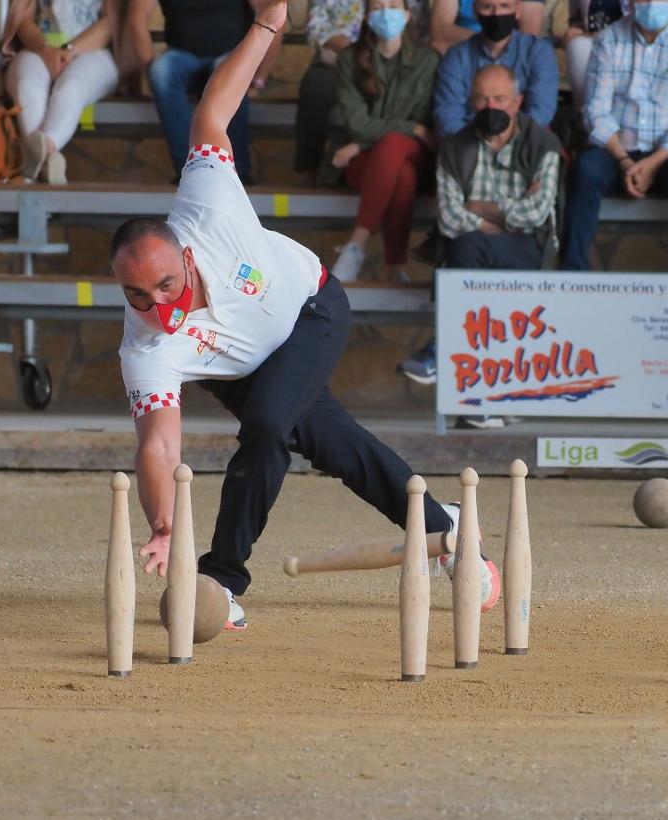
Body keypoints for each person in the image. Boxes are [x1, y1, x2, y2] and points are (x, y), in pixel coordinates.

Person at [112, 0, 500, 627]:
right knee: (338, 448)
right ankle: (446, 528)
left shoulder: (206, 203)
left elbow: (213, 109)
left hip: (311, 309)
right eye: (136, 296)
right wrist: (160, 523)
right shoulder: (144, 349)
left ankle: (221, 576)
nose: (155, 304)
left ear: (184, 255)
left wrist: (266, 26)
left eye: (164, 284)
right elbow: (158, 445)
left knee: (267, 426)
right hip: (247, 365)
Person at [398, 65, 562, 429]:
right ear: (471, 102)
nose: (491, 106)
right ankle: (481, 404)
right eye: (483, 99)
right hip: (477, 247)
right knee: (467, 246)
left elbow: (536, 215)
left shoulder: (543, 145)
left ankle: (444, 354)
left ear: (517, 102)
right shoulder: (455, 148)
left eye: (500, 99)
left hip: (527, 248)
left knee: (468, 250)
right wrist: (504, 217)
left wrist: (483, 211)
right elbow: (450, 218)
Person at [561, 0, 668, 273]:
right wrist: (624, 160)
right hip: (620, 150)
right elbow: (595, 111)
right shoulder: (608, 40)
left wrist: (654, 162)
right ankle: (570, 274)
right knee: (585, 169)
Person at [329, 0, 439, 283]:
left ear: (407, 14)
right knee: (401, 172)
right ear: (367, 16)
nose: (386, 13)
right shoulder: (349, 60)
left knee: (394, 145)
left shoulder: (428, 60)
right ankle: (396, 267)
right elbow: (358, 124)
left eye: (392, 5)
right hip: (368, 164)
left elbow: (427, 126)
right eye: (378, 7)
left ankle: (356, 244)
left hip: (417, 154)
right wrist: (410, 127)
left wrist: (360, 142)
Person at [125, 0, 283, 179]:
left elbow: (272, 12)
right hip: (181, 56)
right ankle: (190, 172)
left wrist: (259, 77)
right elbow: (136, 17)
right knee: (160, 72)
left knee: (234, 78)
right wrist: (151, 75)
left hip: (230, 56)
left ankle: (238, 175)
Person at [294, 0, 426, 185]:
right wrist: (354, 51)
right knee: (316, 86)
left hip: (396, 59)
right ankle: (309, 168)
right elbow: (316, 27)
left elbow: (421, 28)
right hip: (339, 61)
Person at [2, 0, 119, 184]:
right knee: (27, 86)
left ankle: (40, 158)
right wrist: (46, 50)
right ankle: (49, 162)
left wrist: (69, 51)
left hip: (93, 50)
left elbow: (113, 21)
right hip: (39, 47)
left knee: (72, 87)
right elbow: (22, 19)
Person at [433, 0, 559, 137]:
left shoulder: (538, 52)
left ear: (517, 10)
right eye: (487, 7)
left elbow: (541, 111)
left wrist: (509, 142)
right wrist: (476, 146)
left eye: (504, 6)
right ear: (475, 11)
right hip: (468, 145)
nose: (496, 13)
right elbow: (448, 117)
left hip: (523, 143)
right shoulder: (456, 57)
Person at [563, 0, 632, 111]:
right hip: (592, 44)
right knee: (577, 47)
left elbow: (636, 25)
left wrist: (591, 35)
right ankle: (584, 115)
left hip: (625, 43)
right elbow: (576, 20)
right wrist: (573, 31)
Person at [430, 0, 547, 54]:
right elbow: (440, 30)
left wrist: (498, 44)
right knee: (438, 47)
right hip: (464, 47)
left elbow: (529, 37)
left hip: (509, 50)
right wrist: (487, 41)